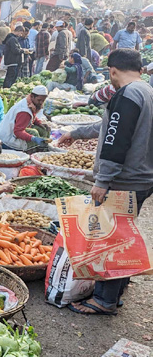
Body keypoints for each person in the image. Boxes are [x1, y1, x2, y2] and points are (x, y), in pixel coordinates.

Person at [61, 48, 153, 316]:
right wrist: (76, 133)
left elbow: (116, 141)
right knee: (122, 237)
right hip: (142, 178)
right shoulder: (146, 91)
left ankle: (104, 299)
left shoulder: (128, 95)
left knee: (109, 240)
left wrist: (103, 179)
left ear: (112, 70)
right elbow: (109, 127)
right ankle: (117, 291)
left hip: (125, 180)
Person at [0, 85, 50, 151]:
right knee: (34, 132)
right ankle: (32, 149)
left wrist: (40, 123)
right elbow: (18, 131)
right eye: (39, 100)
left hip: (12, 130)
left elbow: (33, 116)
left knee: (44, 129)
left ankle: (42, 145)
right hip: (9, 137)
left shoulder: (30, 103)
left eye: (43, 100)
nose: (41, 103)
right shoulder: (24, 112)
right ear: (32, 96)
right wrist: (33, 138)